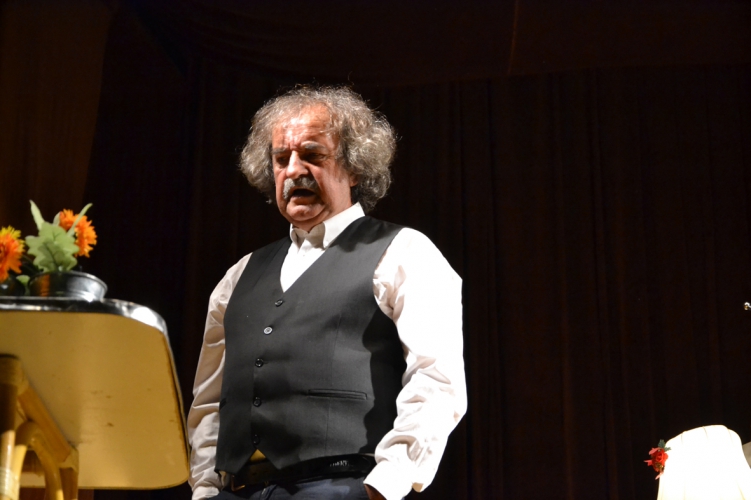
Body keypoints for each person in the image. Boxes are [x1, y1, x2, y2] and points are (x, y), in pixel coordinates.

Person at [187, 86, 466, 500]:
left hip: (341, 487)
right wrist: (206, 490)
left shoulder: (403, 251)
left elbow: (436, 379)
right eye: (281, 159)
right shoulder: (238, 276)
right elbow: (210, 402)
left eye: (312, 155)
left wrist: (384, 486)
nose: (293, 171)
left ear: (354, 169)